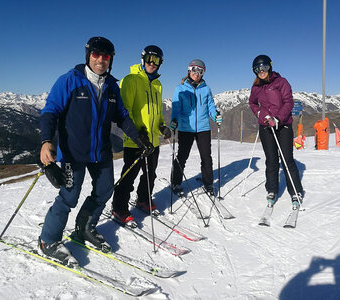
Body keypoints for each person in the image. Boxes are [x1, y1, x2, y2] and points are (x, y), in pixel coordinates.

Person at [39, 37, 152, 264]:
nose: (100, 59)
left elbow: (121, 116)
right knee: (69, 196)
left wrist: (138, 138)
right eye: (96, 54)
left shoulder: (111, 86)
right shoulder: (70, 81)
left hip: (101, 151)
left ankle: (85, 227)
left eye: (106, 56)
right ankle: (48, 240)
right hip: (73, 152)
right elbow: (50, 112)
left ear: (111, 59)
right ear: (88, 55)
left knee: (104, 191)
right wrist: (46, 141)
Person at [112, 45, 170, 225]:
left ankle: (143, 199)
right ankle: (119, 207)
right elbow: (124, 111)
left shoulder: (157, 84)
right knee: (129, 175)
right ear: (143, 59)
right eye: (149, 59)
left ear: (161, 63)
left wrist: (162, 126)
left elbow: (157, 111)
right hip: (135, 140)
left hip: (152, 140)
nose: (152, 63)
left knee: (150, 174)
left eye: (157, 60)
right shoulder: (131, 79)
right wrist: (138, 132)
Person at [249, 54, 304, 209]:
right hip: (266, 127)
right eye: (258, 69)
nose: (261, 71)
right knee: (271, 160)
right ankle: (272, 189)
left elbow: (288, 102)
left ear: (270, 67)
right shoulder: (256, 87)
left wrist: (278, 118)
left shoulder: (281, 82)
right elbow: (252, 103)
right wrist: (260, 114)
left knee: (287, 160)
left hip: (283, 126)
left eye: (264, 67)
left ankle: (295, 191)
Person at [170, 59, 222, 196]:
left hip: (203, 127)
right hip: (186, 128)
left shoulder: (206, 89)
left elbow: (210, 106)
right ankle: (176, 182)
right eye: (195, 70)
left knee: (206, 156)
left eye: (201, 71)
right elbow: (176, 108)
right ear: (189, 70)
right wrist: (174, 120)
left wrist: (215, 115)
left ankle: (208, 183)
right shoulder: (180, 89)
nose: (197, 73)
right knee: (182, 156)